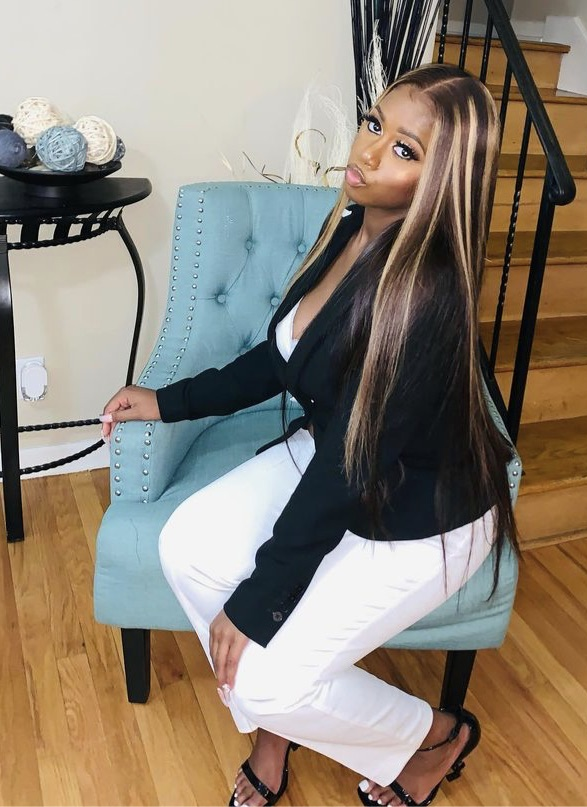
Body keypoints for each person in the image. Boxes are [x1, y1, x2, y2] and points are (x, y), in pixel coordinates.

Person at [101, 63, 520, 807]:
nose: (369, 151)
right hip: (341, 453)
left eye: (405, 149)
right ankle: (276, 728)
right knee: (184, 546)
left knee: (265, 674)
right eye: (374, 123)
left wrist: (260, 599)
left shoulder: (426, 293)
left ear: (441, 181)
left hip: (421, 516)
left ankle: (434, 735)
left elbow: (349, 473)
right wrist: (168, 402)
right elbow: (282, 354)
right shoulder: (352, 225)